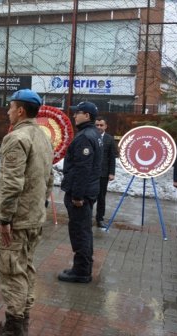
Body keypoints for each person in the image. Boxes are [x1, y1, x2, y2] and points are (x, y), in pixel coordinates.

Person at [0, 89, 53, 336]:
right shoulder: (43, 137)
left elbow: (10, 183)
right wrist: (40, 207)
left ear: (20, 110)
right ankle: (21, 320)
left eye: (10, 107)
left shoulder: (17, 138)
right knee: (25, 267)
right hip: (34, 217)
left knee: (11, 270)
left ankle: (15, 327)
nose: (7, 111)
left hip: (17, 219)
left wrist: (4, 219)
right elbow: (49, 179)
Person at [58, 101, 102, 284]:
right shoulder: (93, 134)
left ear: (88, 116)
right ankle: (82, 267)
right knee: (83, 230)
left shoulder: (85, 137)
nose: (74, 115)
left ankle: (82, 271)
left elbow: (83, 169)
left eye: (78, 112)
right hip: (88, 191)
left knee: (80, 232)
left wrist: (77, 196)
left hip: (81, 194)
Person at [94, 117, 117, 229]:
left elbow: (112, 158)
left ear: (105, 126)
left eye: (101, 125)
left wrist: (111, 173)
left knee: (101, 197)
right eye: (97, 125)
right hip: (91, 173)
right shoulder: (90, 137)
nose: (99, 127)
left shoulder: (109, 139)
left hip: (103, 174)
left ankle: (100, 219)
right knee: (89, 196)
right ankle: (86, 217)